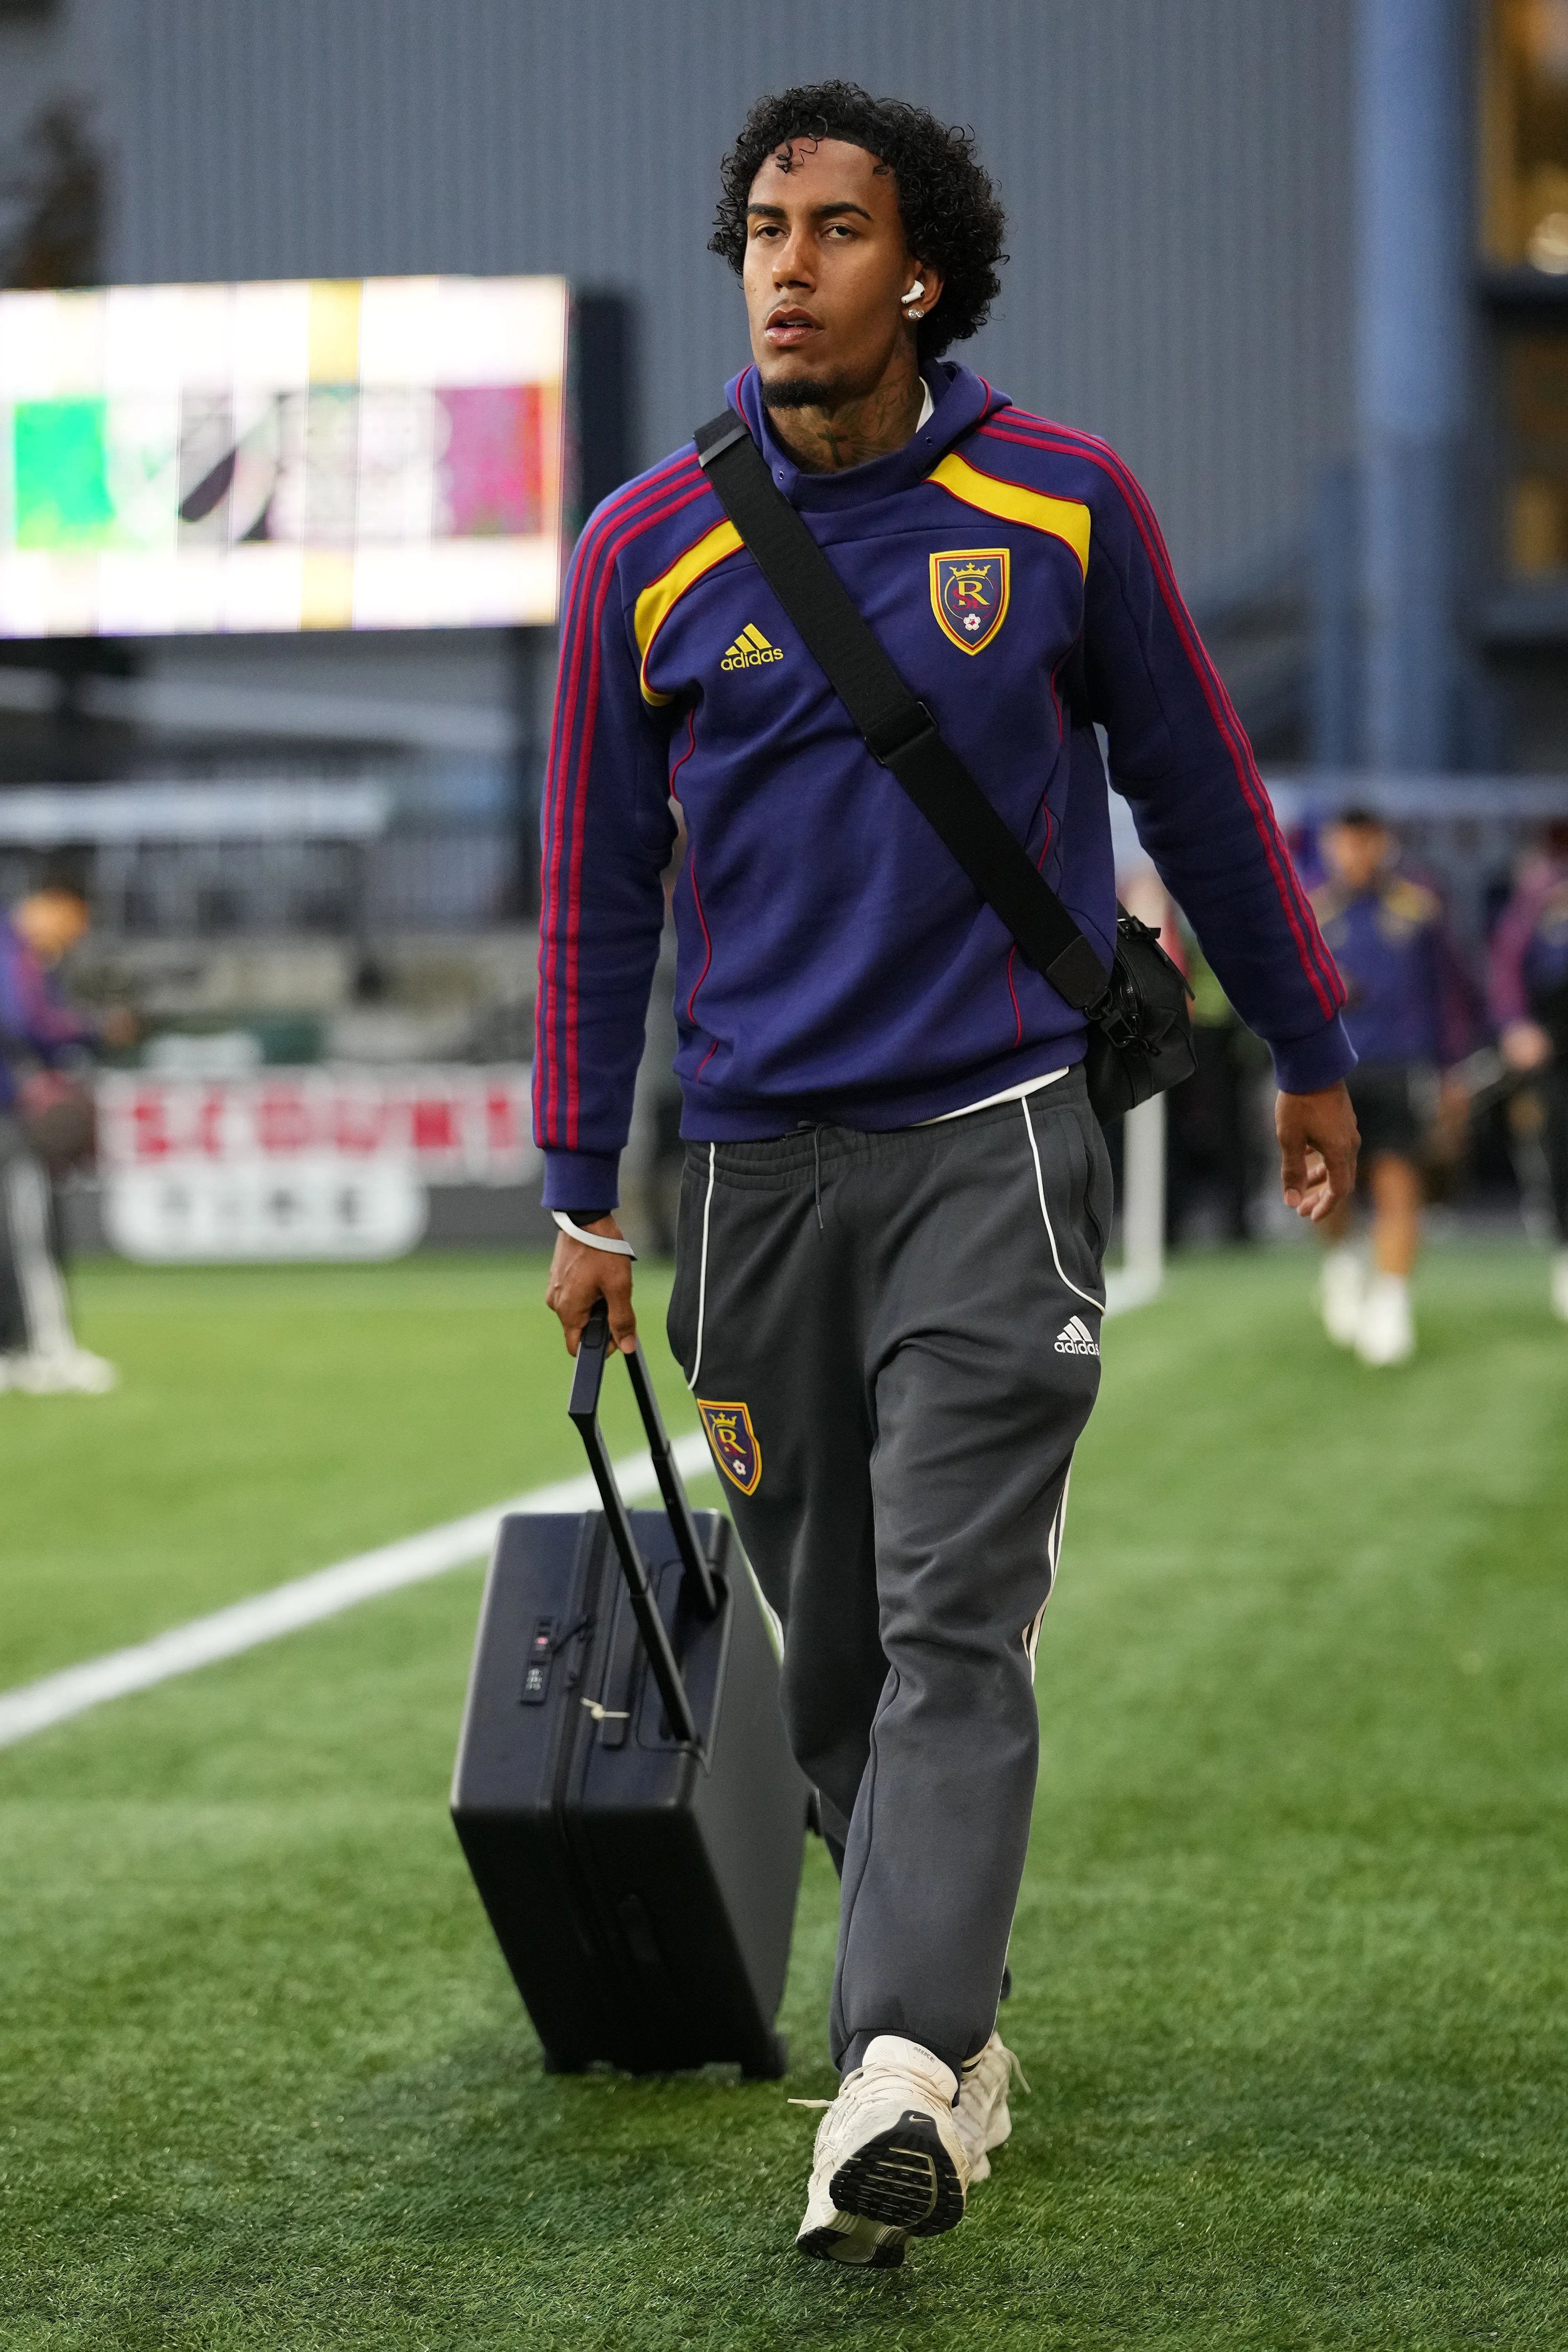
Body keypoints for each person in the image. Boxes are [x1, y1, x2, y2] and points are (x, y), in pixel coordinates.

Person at [534, 83, 1357, 2268]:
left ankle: (892, 2070)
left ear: (923, 273)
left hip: (995, 1146)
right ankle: (954, 2037)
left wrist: (1305, 1044)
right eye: (760, 230)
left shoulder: (1064, 505)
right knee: (828, 1665)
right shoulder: (639, 548)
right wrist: (581, 1192)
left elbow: (1197, 783)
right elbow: (593, 895)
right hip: (745, 1187)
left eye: (833, 231)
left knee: (951, 1625)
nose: (784, 266)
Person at [1307, 812, 1472, 1364]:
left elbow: (1448, 992)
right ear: (1331, 846)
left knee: (1398, 1178)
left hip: (1403, 1067)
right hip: (1330, 1069)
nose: (1354, 852)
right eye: (1344, 841)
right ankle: (1343, 1263)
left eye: (1365, 840)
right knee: (1329, 1186)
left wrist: (1454, 1072)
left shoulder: (1419, 908)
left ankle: (1393, 1301)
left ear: (1382, 843)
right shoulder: (1311, 912)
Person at [0, 881, 124, 1392]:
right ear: (52, 903)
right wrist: (92, 1030)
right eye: (74, 921)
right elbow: (23, 1022)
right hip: (7, 1113)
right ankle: (47, 1350)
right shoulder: (14, 951)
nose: (74, 936)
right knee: (27, 1230)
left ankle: (11, 1353)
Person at [1488, 820, 1568, 1321]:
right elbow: (1508, 963)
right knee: (1562, 1146)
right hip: (1559, 1040)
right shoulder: (1544, 897)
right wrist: (1517, 1024)